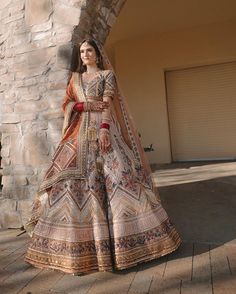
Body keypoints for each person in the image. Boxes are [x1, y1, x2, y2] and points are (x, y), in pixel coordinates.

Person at [24, 39, 181, 275]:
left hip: (103, 130)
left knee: (118, 178)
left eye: (89, 50)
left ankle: (131, 244)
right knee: (70, 182)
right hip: (78, 133)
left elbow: (107, 103)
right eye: (82, 51)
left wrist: (105, 128)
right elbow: (67, 103)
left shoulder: (107, 75)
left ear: (97, 55)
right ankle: (72, 247)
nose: (86, 54)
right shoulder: (75, 79)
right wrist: (83, 106)